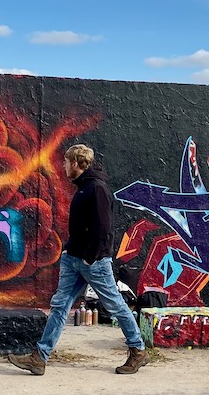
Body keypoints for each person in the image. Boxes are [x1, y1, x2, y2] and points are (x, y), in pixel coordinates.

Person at [8, 143, 149, 376]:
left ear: (76, 163)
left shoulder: (97, 189)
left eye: (65, 162)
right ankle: (39, 357)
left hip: (92, 262)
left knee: (115, 305)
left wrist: (90, 259)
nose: (63, 167)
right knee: (59, 305)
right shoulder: (84, 187)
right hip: (74, 259)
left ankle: (138, 349)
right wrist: (71, 252)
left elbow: (104, 228)